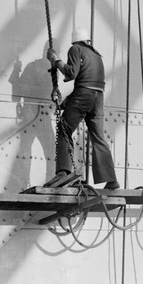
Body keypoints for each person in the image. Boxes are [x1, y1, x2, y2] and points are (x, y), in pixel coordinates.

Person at [43, 26, 119, 190]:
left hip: (83, 96)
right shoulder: (97, 55)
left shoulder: (75, 49)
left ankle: (63, 172)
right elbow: (90, 83)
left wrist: (56, 60)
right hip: (98, 98)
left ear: (75, 40)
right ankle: (111, 179)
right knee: (98, 138)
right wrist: (69, 101)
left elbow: (71, 73)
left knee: (64, 129)